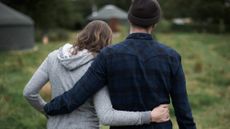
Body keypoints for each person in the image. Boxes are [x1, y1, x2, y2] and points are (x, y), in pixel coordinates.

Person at [43, 0, 197, 128]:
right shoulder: (171, 57)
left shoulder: (108, 55)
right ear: (155, 23)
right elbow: (183, 112)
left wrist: (48, 108)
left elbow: (76, 95)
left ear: (129, 19)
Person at [23, 20, 170, 129]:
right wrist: (149, 116)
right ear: (107, 42)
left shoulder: (53, 57)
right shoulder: (98, 68)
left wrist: (48, 112)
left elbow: (29, 92)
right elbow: (106, 116)